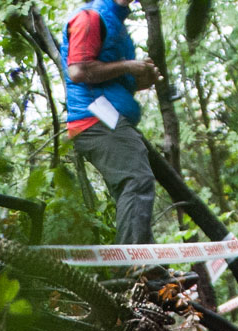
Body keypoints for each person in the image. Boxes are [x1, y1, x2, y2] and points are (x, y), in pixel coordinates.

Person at [63, 0, 159, 245]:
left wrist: (141, 79)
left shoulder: (116, 22)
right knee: (136, 180)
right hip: (94, 120)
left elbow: (113, 81)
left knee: (131, 188)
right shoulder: (90, 17)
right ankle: (135, 267)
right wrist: (128, 66)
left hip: (108, 118)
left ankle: (147, 271)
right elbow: (78, 71)